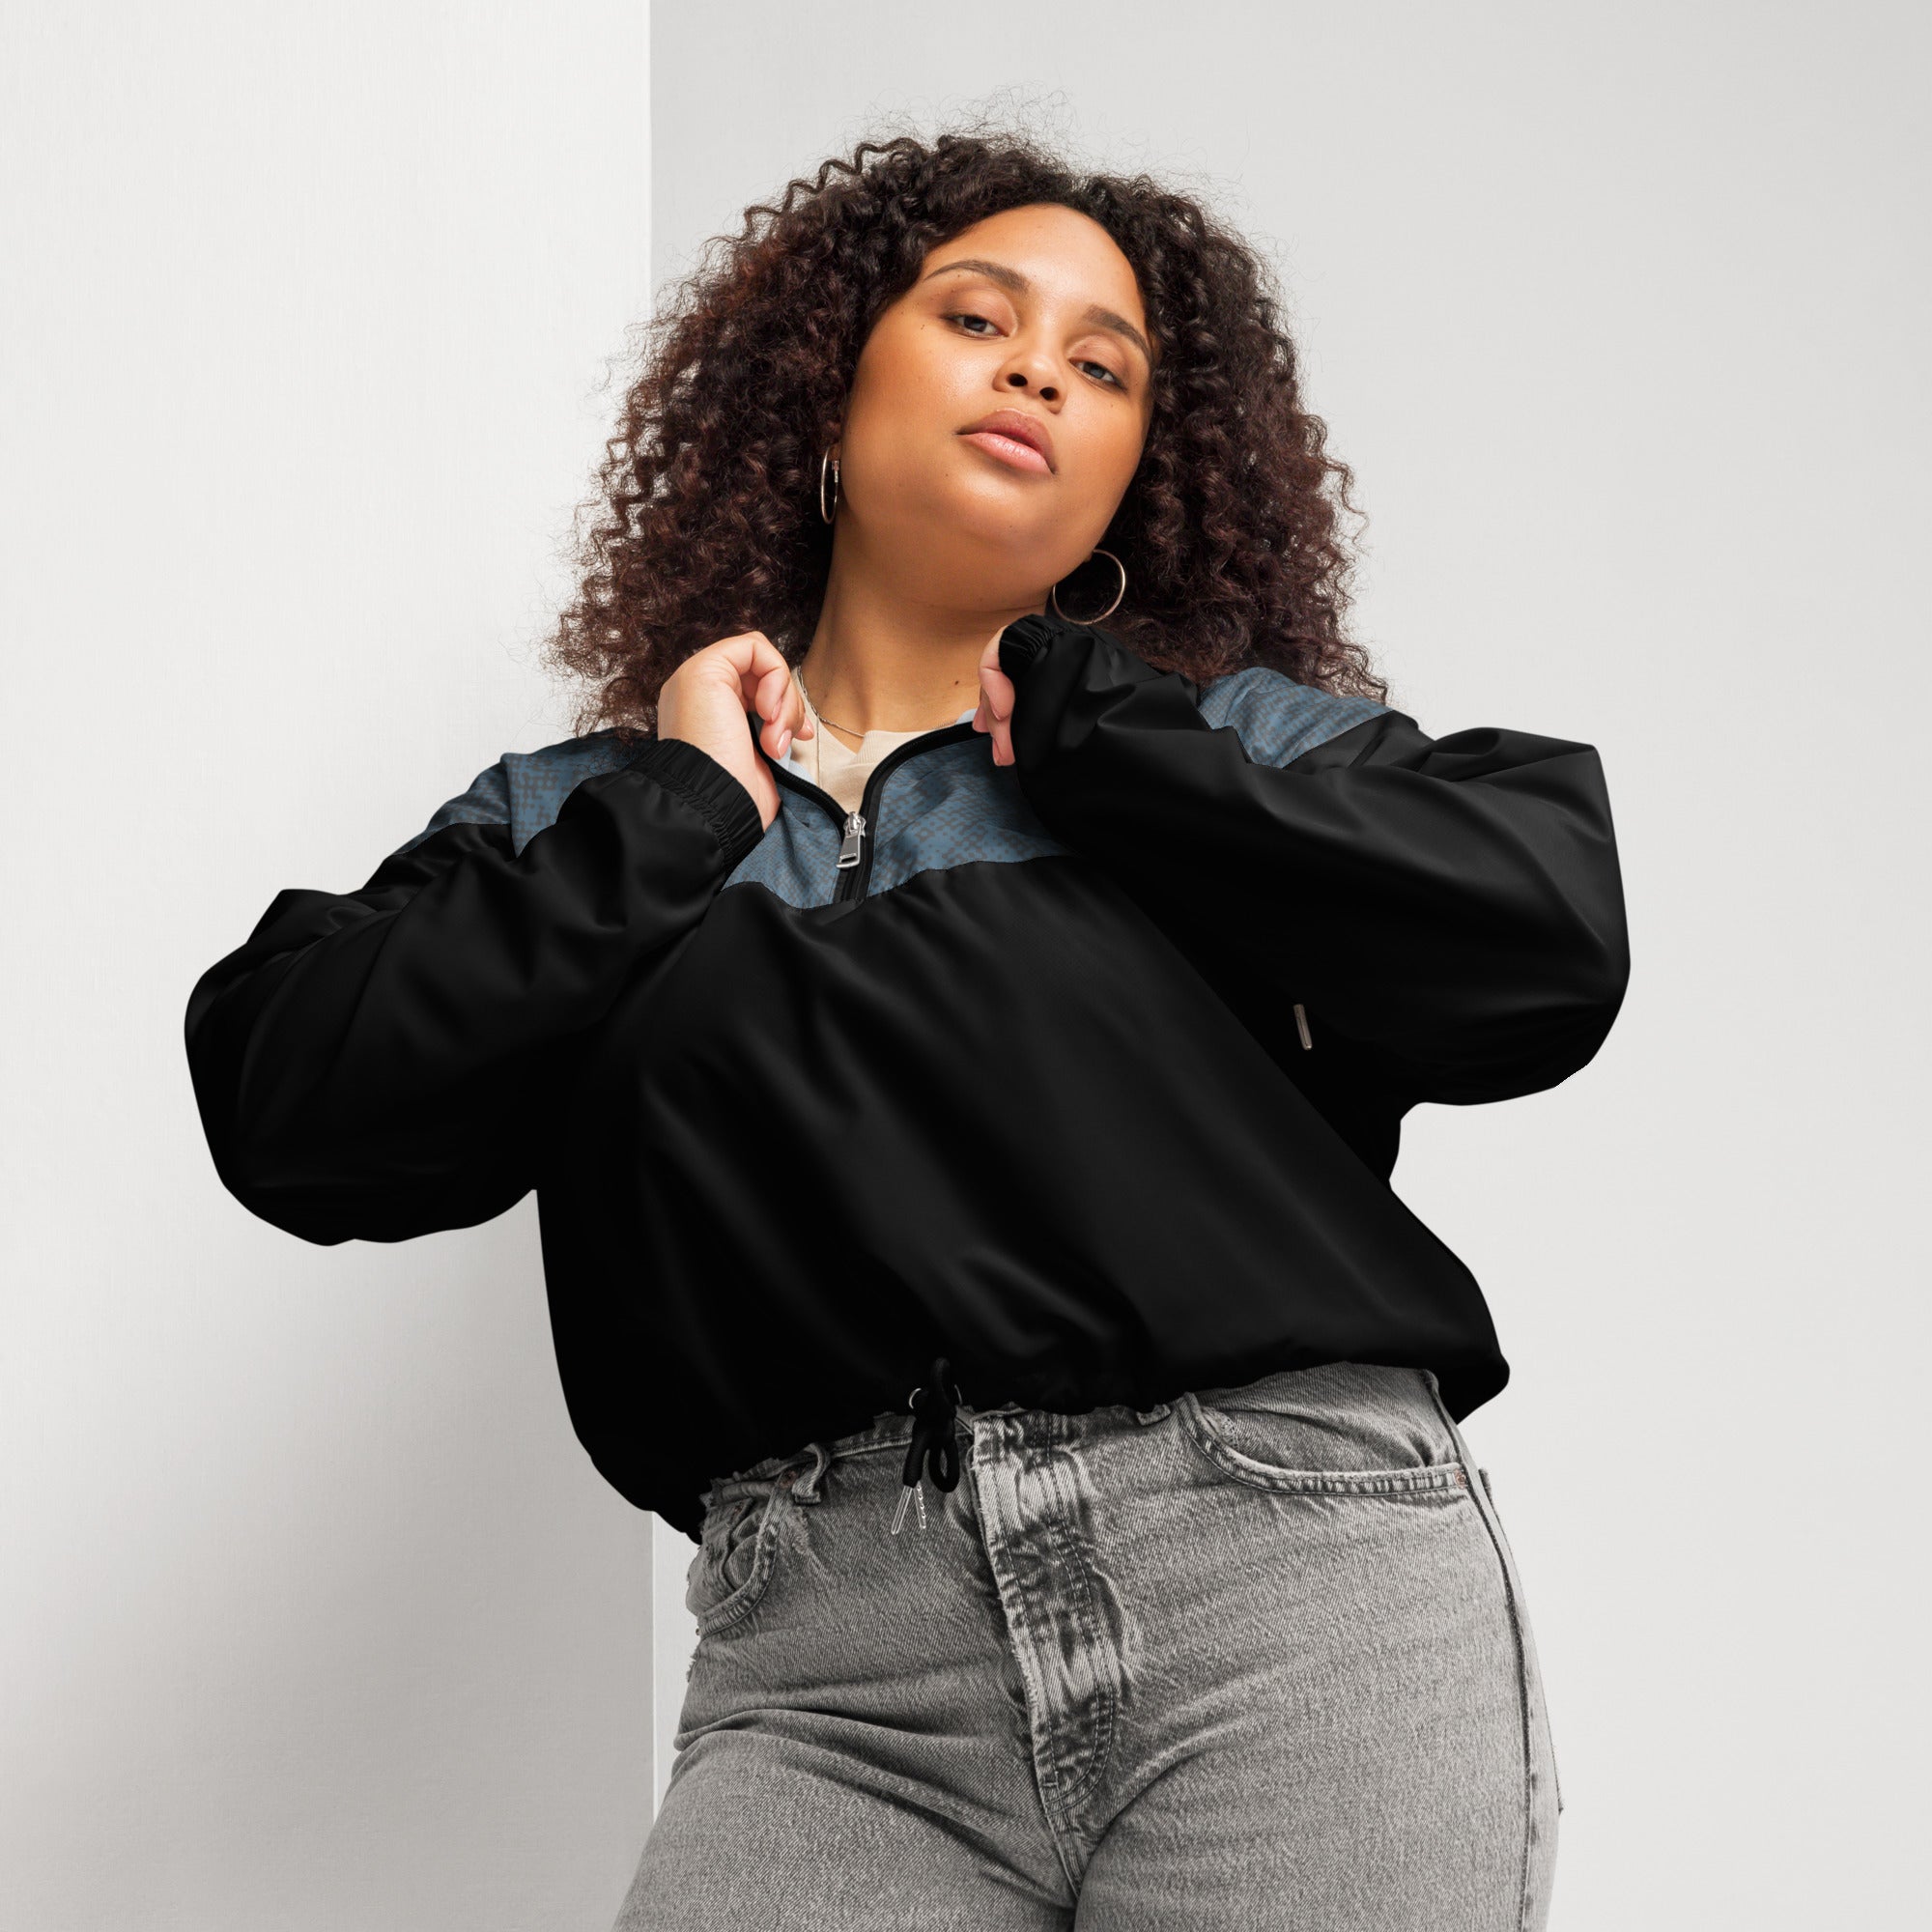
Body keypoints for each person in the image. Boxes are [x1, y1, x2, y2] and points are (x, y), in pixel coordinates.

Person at [183, 128, 1629, 1930]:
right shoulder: (598, 819)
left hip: (1289, 1593)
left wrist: (1107, 741)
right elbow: (297, 1106)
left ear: (1130, 488)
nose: (1040, 368)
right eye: (978, 318)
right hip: (832, 1683)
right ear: (822, 402)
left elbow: (1548, 935)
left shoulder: (1221, 755)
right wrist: (677, 814)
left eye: (1103, 367)